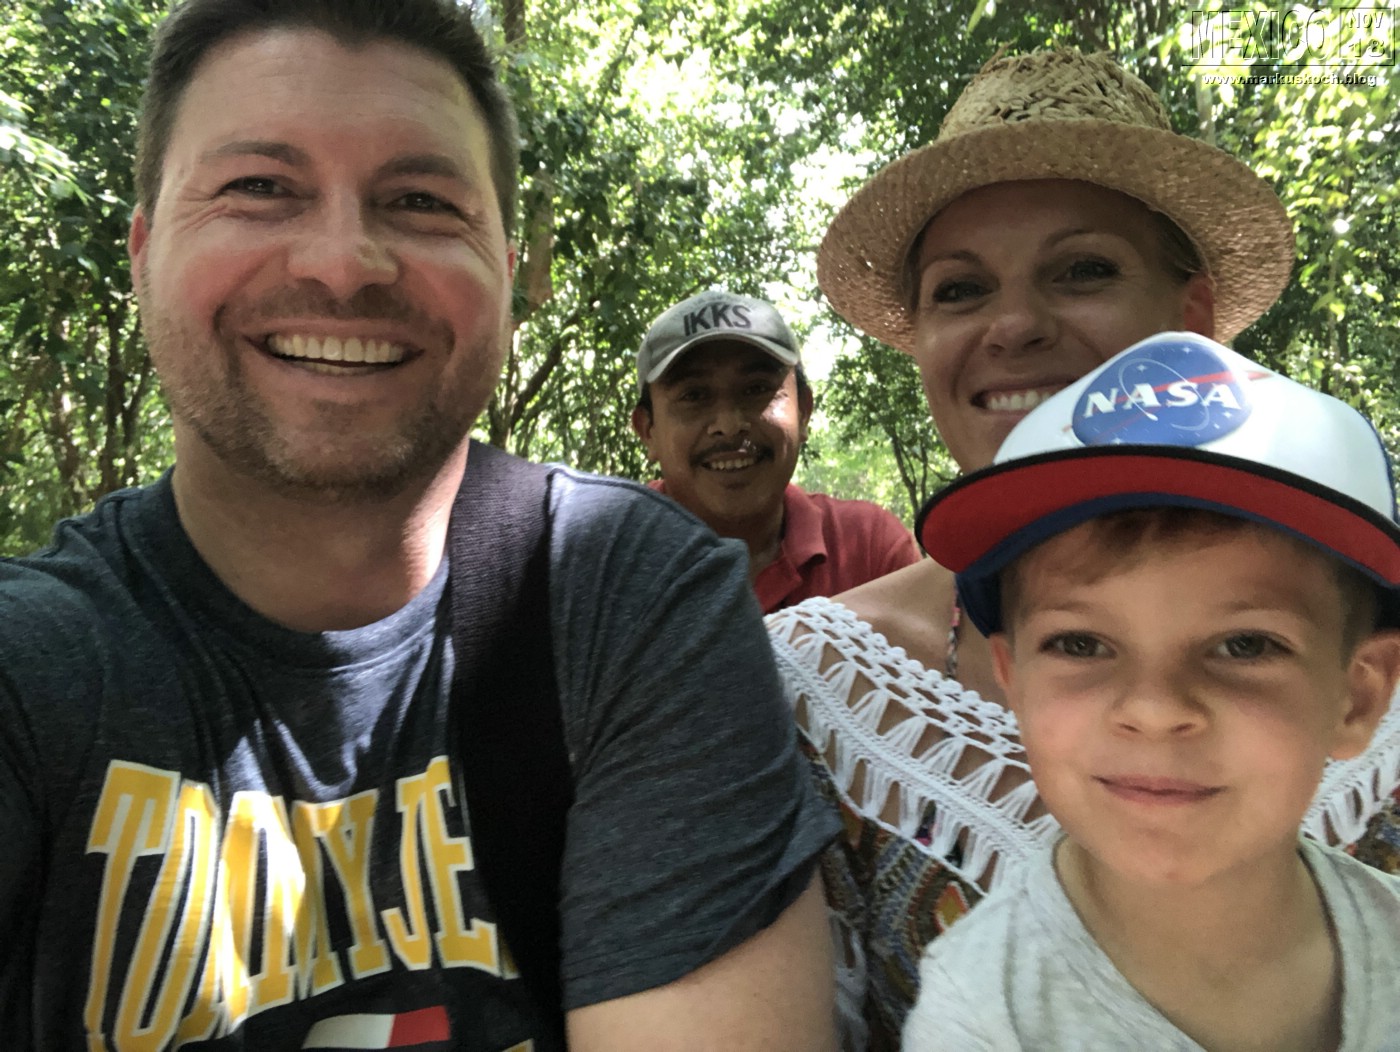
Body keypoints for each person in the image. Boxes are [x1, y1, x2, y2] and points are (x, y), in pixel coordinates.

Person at [0, 2, 840, 1048]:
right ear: (142, 251)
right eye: (259, 187)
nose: (343, 263)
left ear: (509, 273)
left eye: (421, 201)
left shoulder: (629, 600)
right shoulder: (32, 668)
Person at [765, 48, 1400, 1049]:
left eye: (1083, 270)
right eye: (959, 289)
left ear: (1191, 317)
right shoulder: (806, 683)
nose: (1014, 324)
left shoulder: (1357, 610)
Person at [902, 332, 1400, 1050]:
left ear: (1358, 697)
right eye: (1081, 644)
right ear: (1014, 681)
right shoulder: (982, 1015)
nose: (1155, 708)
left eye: (1245, 645)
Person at [632, 289, 920, 612]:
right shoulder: (607, 562)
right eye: (694, 396)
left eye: (756, 389)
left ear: (803, 412)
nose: (729, 425)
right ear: (648, 430)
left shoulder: (870, 550)